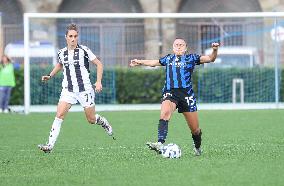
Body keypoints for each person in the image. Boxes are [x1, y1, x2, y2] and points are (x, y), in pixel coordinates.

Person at [129, 38, 219, 156]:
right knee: (165, 112)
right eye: (176, 45)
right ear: (173, 47)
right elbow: (154, 62)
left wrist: (215, 50)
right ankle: (160, 143)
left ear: (185, 48)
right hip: (171, 92)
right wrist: (139, 62)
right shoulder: (168, 58)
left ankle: (197, 147)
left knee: (195, 130)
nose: (179, 46)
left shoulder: (191, 58)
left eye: (181, 45)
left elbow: (210, 59)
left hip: (187, 95)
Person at [38, 23, 114, 153]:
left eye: (75, 36)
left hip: (85, 90)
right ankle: (49, 145)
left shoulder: (84, 50)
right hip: (68, 90)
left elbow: (99, 64)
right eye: (71, 36)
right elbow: (60, 65)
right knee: (59, 115)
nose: (73, 38)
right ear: (66, 37)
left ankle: (102, 121)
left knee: (91, 119)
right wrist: (50, 75)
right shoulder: (61, 53)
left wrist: (99, 81)